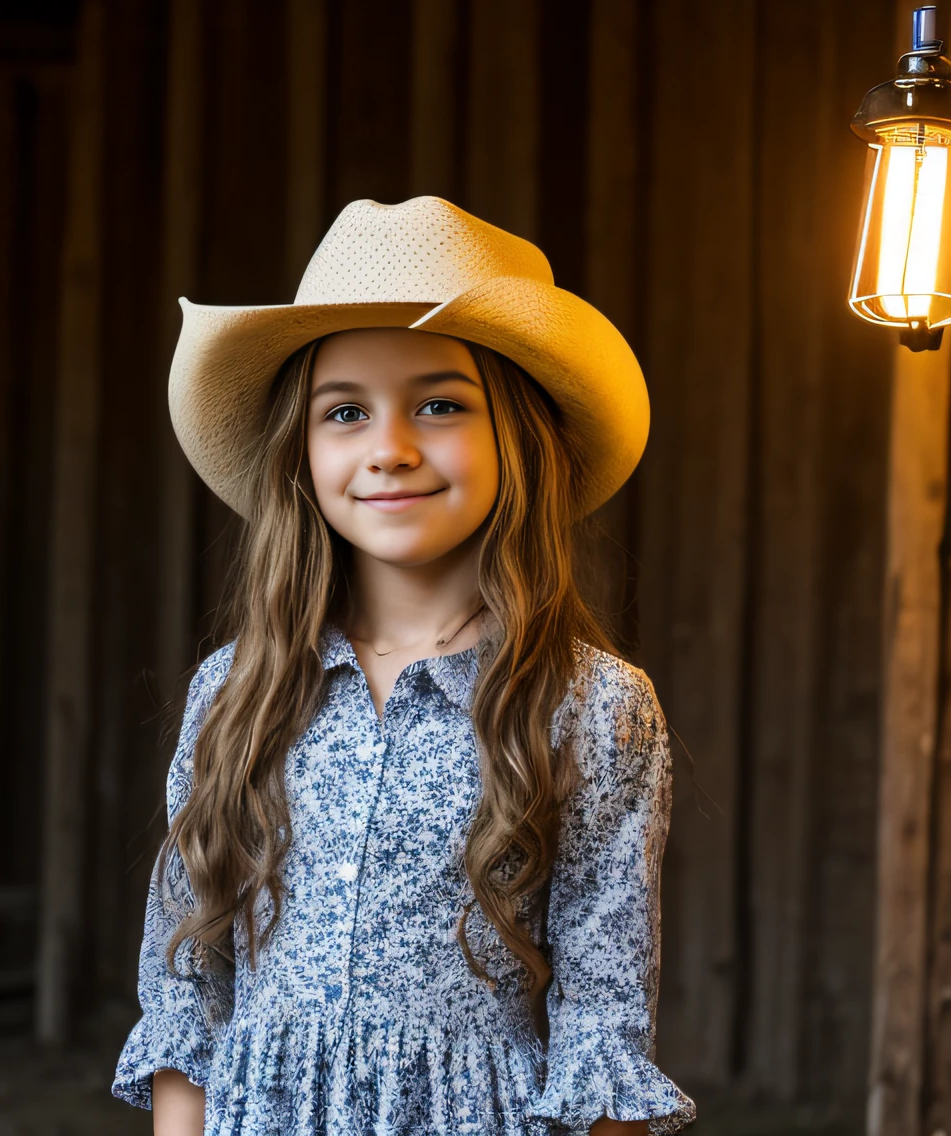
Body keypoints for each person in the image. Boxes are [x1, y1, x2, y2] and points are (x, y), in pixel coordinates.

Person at [115, 197, 696, 1135]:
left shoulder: (594, 707)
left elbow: (602, 1028)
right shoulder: (236, 691)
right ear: (300, 455)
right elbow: (188, 987)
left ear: (520, 436)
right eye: (345, 412)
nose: (389, 448)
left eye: (439, 404)